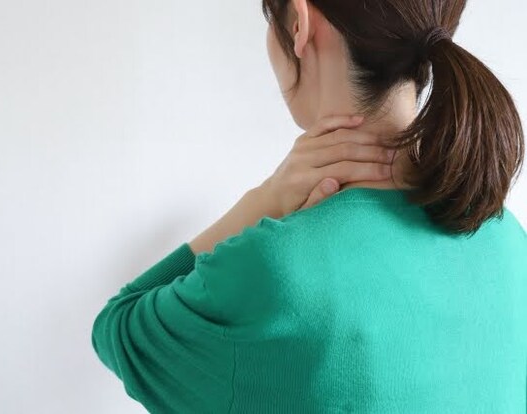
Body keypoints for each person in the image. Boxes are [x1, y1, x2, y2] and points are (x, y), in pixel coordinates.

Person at [92, 1, 527, 412]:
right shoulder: (508, 240)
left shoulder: (275, 268)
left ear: (299, 22)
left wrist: (267, 198)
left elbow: (119, 329)